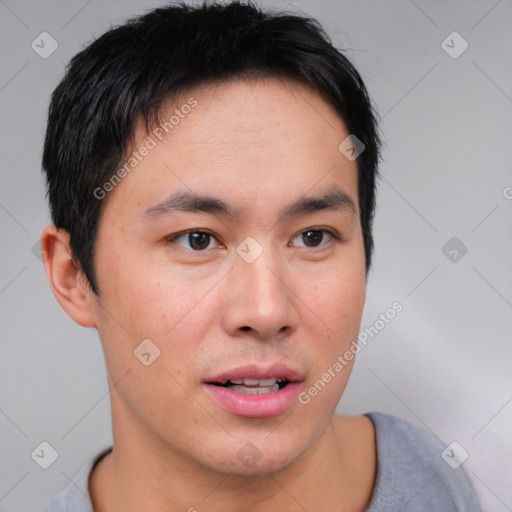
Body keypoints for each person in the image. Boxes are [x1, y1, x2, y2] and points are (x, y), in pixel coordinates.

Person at [37, 1, 481, 511]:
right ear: (73, 276)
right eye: (197, 239)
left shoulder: (480, 477)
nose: (267, 311)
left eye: (313, 236)